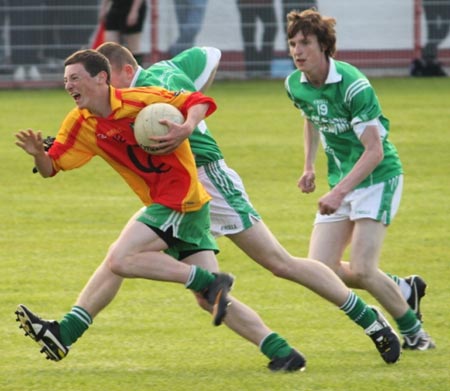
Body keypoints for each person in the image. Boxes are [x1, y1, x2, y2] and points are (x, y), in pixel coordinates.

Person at [93, 42, 405, 365]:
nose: (103, 87)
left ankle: (369, 318)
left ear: (126, 71)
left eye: (106, 78)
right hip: (177, 193)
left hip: (211, 182)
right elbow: (212, 54)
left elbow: (208, 68)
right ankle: (280, 352)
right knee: (194, 288)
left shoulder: (154, 86)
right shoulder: (162, 72)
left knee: (279, 262)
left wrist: (191, 123)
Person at [14, 48, 307, 372]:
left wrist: (187, 127)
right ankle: (282, 352)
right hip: (164, 203)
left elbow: (198, 101)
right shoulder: (80, 122)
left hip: (180, 199)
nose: (68, 85)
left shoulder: (140, 100)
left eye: (75, 78)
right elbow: (51, 166)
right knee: (208, 299)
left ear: (101, 78)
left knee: (120, 258)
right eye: (66, 79)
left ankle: (71, 329)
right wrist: (37, 155)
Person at [284, 9, 435, 350]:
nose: (297, 51)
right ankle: (403, 289)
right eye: (293, 43)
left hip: (378, 178)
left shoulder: (354, 86)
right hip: (344, 181)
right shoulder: (295, 84)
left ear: (324, 45)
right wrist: (308, 165)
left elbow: (374, 151)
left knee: (365, 268)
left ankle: (416, 335)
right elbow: (310, 117)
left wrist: (338, 192)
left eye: (305, 42)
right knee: (321, 269)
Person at [236, 0, 277, 77]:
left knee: (271, 28)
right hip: (246, 3)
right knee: (248, 34)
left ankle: (264, 67)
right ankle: (252, 68)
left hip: (265, 3)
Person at [99, 0, 147, 64]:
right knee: (110, 44)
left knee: (133, 44)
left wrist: (134, 11)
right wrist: (103, 9)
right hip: (115, 6)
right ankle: (114, 69)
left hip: (131, 6)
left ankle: (137, 69)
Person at [410, 0, 449, 77]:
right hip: (430, 3)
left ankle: (424, 61)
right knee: (432, 32)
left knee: (444, 31)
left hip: (445, 3)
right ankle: (430, 63)